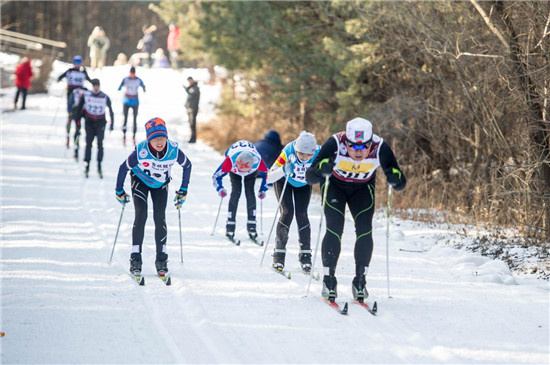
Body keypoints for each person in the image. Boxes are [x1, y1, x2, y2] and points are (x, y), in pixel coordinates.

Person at [305, 117, 407, 302]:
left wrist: (395, 178)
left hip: (362, 189)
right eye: (353, 147)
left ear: (370, 143)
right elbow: (310, 177)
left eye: (363, 147)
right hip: (335, 187)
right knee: (335, 228)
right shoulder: (334, 143)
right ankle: (329, 280)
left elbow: (399, 180)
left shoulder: (380, 147)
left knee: (365, 230)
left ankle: (360, 280)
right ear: (346, 142)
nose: (358, 152)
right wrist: (321, 169)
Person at [115, 117, 192, 277]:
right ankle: (135, 258)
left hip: (160, 185)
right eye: (155, 139)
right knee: (141, 215)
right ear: (149, 139)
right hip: (140, 181)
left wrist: (183, 189)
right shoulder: (141, 151)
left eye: (162, 138)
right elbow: (123, 168)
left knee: (160, 217)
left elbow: (187, 165)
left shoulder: (173, 149)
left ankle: (161, 259)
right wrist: (119, 190)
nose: (159, 142)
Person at [266, 131, 320, 274]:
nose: (304, 158)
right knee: (287, 212)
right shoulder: (288, 151)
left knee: (302, 214)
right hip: (284, 182)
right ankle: (278, 256)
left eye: (309, 155)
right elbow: (269, 178)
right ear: (296, 149)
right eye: (301, 154)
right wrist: (283, 169)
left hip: (303, 185)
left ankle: (306, 257)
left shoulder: (320, 153)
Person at [212, 140, 269, 241]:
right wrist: (220, 188)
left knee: (250, 191)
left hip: (250, 170)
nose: (243, 173)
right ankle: (230, 225)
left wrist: (263, 189)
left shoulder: (258, 161)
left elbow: (268, 176)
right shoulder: (229, 161)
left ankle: (252, 225)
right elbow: (216, 176)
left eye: (245, 170)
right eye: (241, 170)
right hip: (235, 169)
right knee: (236, 192)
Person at [74, 78, 114, 178]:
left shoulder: (104, 96)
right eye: (94, 86)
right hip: (89, 122)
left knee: (100, 144)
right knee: (88, 143)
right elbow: (79, 109)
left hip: (100, 122)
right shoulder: (86, 95)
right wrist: (77, 122)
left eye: (97, 86)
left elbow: (110, 110)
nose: (96, 88)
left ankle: (99, 165)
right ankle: (87, 164)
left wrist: (111, 123)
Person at [57, 55, 92, 148]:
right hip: (71, 96)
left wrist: (85, 72)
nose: (77, 65)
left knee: (78, 118)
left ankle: (77, 137)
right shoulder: (70, 71)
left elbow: (90, 81)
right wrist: (60, 79)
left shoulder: (82, 72)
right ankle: (68, 136)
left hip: (79, 96)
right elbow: (60, 77)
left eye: (78, 64)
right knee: (70, 115)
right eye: (75, 63)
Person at [117, 67, 146, 146]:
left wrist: (144, 88)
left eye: (133, 73)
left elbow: (143, 86)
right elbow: (119, 87)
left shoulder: (138, 80)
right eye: (131, 73)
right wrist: (120, 88)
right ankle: (124, 136)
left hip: (135, 102)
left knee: (134, 120)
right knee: (125, 119)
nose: (132, 75)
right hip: (126, 101)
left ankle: (133, 136)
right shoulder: (125, 79)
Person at [68, 86, 87, 161]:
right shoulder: (74, 91)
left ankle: (86, 152)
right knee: (77, 130)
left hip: (86, 112)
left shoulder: (86, 90)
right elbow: (70, 102)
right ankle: (76, 149)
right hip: (77, 112)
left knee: (87, 131)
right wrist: (70, 112)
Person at [184, 76, 200, 143]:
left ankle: (193, 138)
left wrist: (186, 89)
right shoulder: (192, 87)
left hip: (194, 109)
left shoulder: (196, 88)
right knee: (191, 124)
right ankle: (192, 137)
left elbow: (192, 94)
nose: (189, 82)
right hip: (190, 108)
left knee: (193, 124)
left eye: (190, 81)